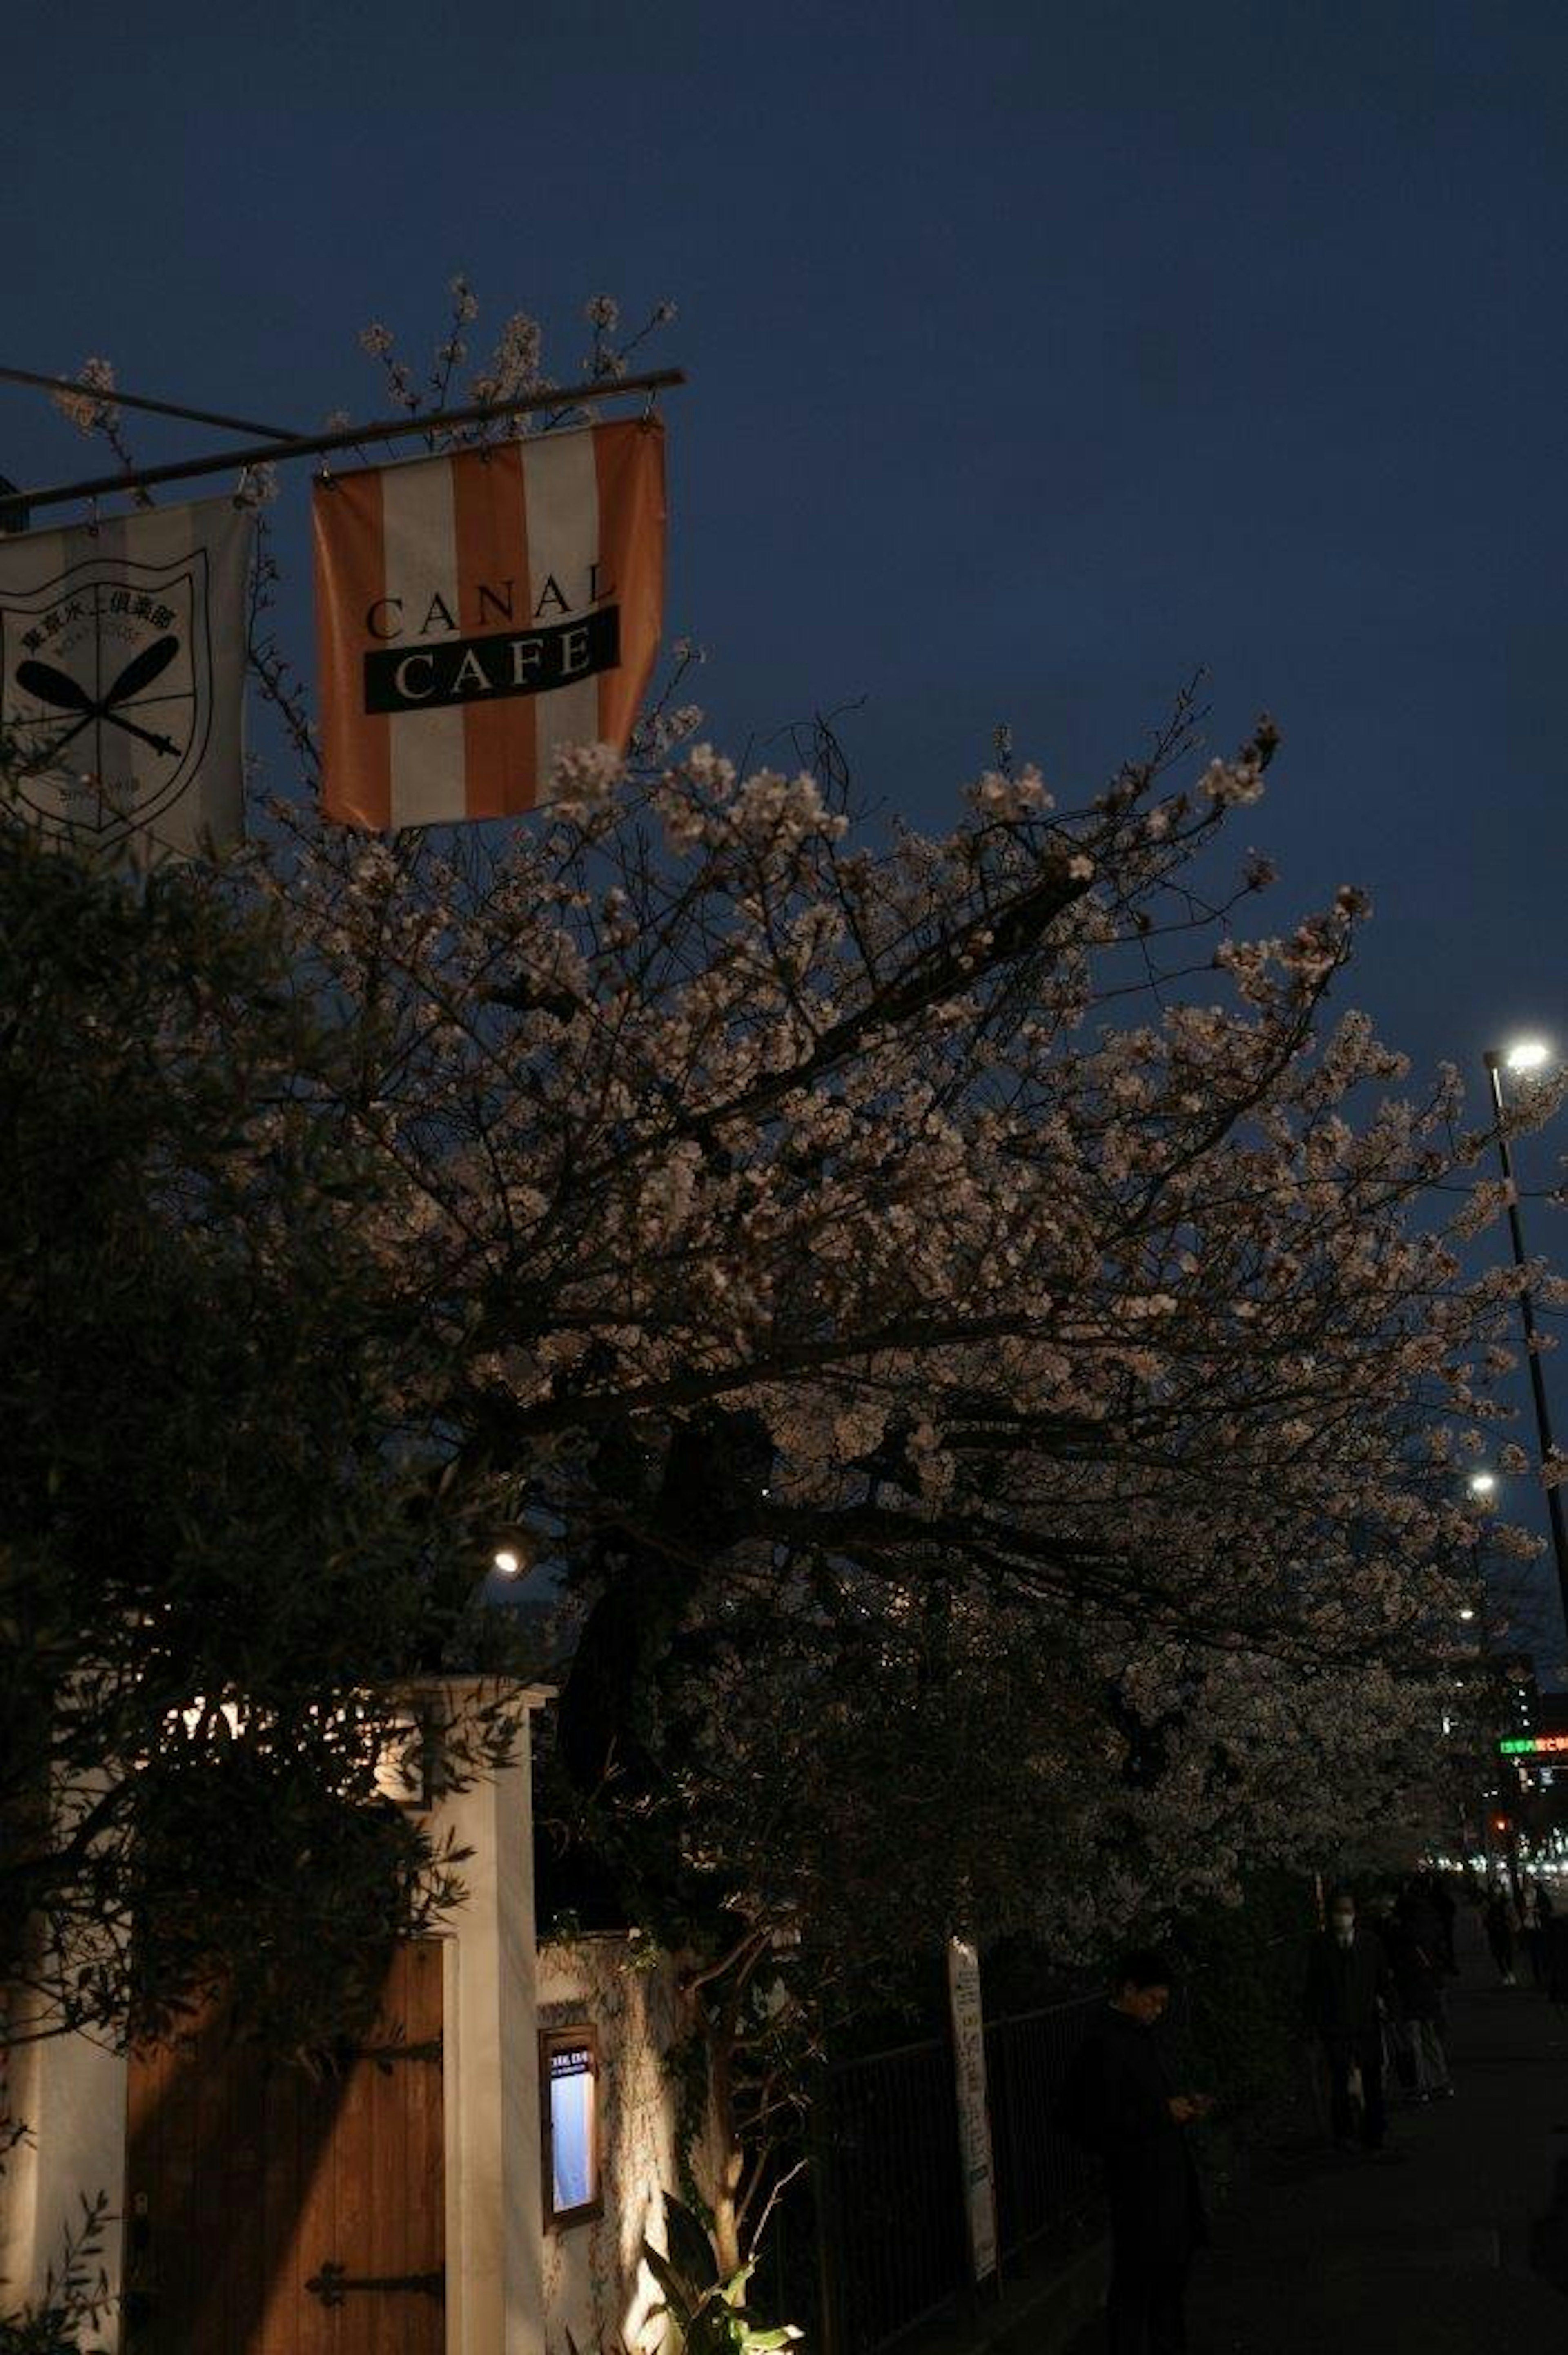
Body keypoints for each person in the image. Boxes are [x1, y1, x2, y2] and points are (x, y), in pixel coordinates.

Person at [1060, 1947, 1210, 2355]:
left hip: (1162, 2181)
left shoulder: (1136, 2037)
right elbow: (1098, 2120)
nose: (1158, 2010)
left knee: (1163, 2288)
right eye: (1152, 2000)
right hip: (1140, 2185)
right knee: (1139, 2289)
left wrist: (1179, 2105)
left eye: (1162, 2002)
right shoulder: (1105, 2044)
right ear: (1129, 1990)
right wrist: (1162, 2112)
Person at [1301, 1889, 1394, 2153]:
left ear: (1355, 1914)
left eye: (1347, 1911)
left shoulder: (1370, 1943)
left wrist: (1392, 2009)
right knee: (1339, 2083)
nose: (1343, 1916)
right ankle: (1345, 2134)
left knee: (1373, 2082)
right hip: (1335, 2025)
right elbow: (1313, 1988)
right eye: (1338, 1911)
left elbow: (1383, 1981)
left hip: (1367, 2022)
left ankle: (1376, 2133)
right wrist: (1310, 2025)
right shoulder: (1321, 1946)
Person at [1482, 1883, 1518, 1985]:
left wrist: (1514, 1926)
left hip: (1506, 1931)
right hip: (1494, 1932)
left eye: (1498, 1888)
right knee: (1498, 1954)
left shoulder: (1507, 1902)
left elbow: (1513, 1915)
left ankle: (1510, 1973)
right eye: (1495, 1889)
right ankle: (1504, 1974)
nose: (1497, 1891)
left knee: (1508, 1953)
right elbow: (1483, 1917)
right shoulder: (1487, 1902)